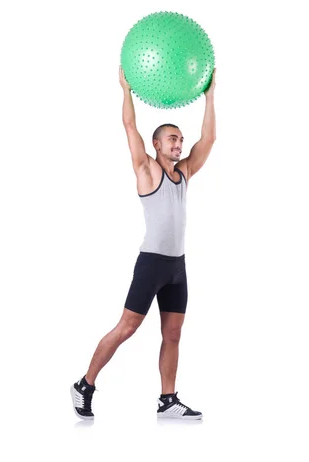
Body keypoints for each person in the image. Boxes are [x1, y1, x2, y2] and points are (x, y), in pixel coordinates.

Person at [71, 68, 216, 420]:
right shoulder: (146, 170)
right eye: (171, 139)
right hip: (151, 263)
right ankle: (85, 384)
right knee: (127, 328)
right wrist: (126, 90)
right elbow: (129, 128)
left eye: (180, 139)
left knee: (174, 334)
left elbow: (208, 140)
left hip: (177, 266)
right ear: (157, 144)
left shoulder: (184, 174)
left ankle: (168, 399)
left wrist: (210, 95)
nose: (178, 144)